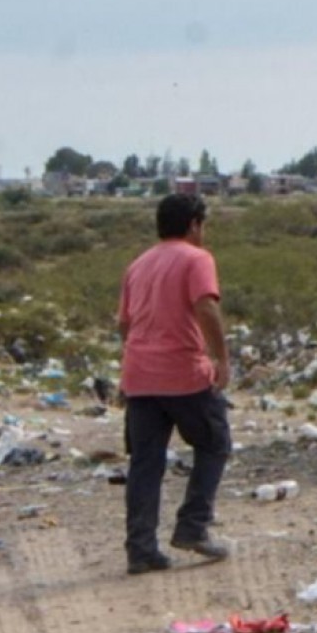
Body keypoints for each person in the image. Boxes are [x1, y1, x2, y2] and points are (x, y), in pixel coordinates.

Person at [118, 193, 232, 574]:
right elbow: (206, 307)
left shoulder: (138, 265)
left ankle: (140, 549)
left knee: (145, 463)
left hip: (140, 377)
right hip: (183, 373)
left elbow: (124, 324)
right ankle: (193, 526)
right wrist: (221, 358)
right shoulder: (197, 259)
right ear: (194, 224)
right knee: (214, 442)